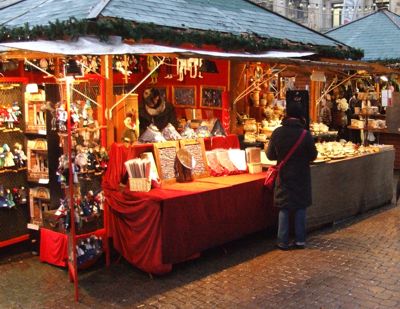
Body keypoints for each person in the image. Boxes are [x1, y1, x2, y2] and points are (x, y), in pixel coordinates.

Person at [266, 102, 317, 250]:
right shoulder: (305, 134)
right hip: (301, 175)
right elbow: (313, 155)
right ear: (301, 117)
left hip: (284, 175)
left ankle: (282, 241)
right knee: (300, 206)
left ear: (286, 115)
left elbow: (270, 156)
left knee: (284, 207)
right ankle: (300, 240)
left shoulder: (277, 132)